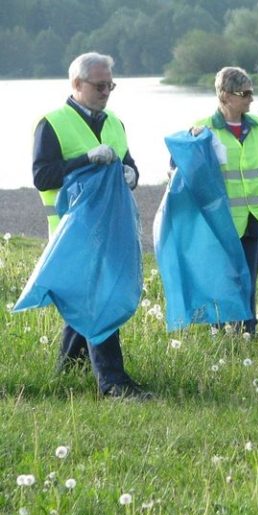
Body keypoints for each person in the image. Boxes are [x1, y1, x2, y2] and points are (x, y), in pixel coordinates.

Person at [32, 52, 151, 400]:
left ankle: (68, 369)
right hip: (73, 235)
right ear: (77, 84)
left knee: (86, 302)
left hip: (111, 232)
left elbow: (129, 163)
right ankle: (114, 383)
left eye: (111, 85)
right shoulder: (52, 123)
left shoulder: (115, 123)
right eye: (100, 86)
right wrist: (85, 160)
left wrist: (132, 174)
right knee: (101, 302)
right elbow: (42, 177)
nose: (106, 92)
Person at [191, 67, 258, 334]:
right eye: (245, 93)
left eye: (252, 92)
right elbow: (184, 169)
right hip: (220, 219)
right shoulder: (202, 129)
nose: (251, 98)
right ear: (225, 95)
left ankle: (247, 329)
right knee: (219, 277)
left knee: (247, 277)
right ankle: (219, 328)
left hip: (253, 215)